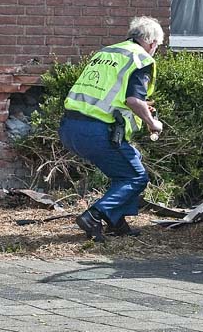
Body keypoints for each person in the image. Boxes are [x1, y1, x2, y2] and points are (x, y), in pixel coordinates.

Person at [60, 16, 164, 241]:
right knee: (136, 177)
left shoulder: (107, 52)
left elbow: (106, 92)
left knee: (128, 165)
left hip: (70, 127)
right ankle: (94, 215)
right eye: (158, 46)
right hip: (96, 131)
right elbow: (133, 101)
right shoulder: (141, 59)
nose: (156, 50)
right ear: (152, 42)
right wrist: (152, 123)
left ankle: (116, 222)